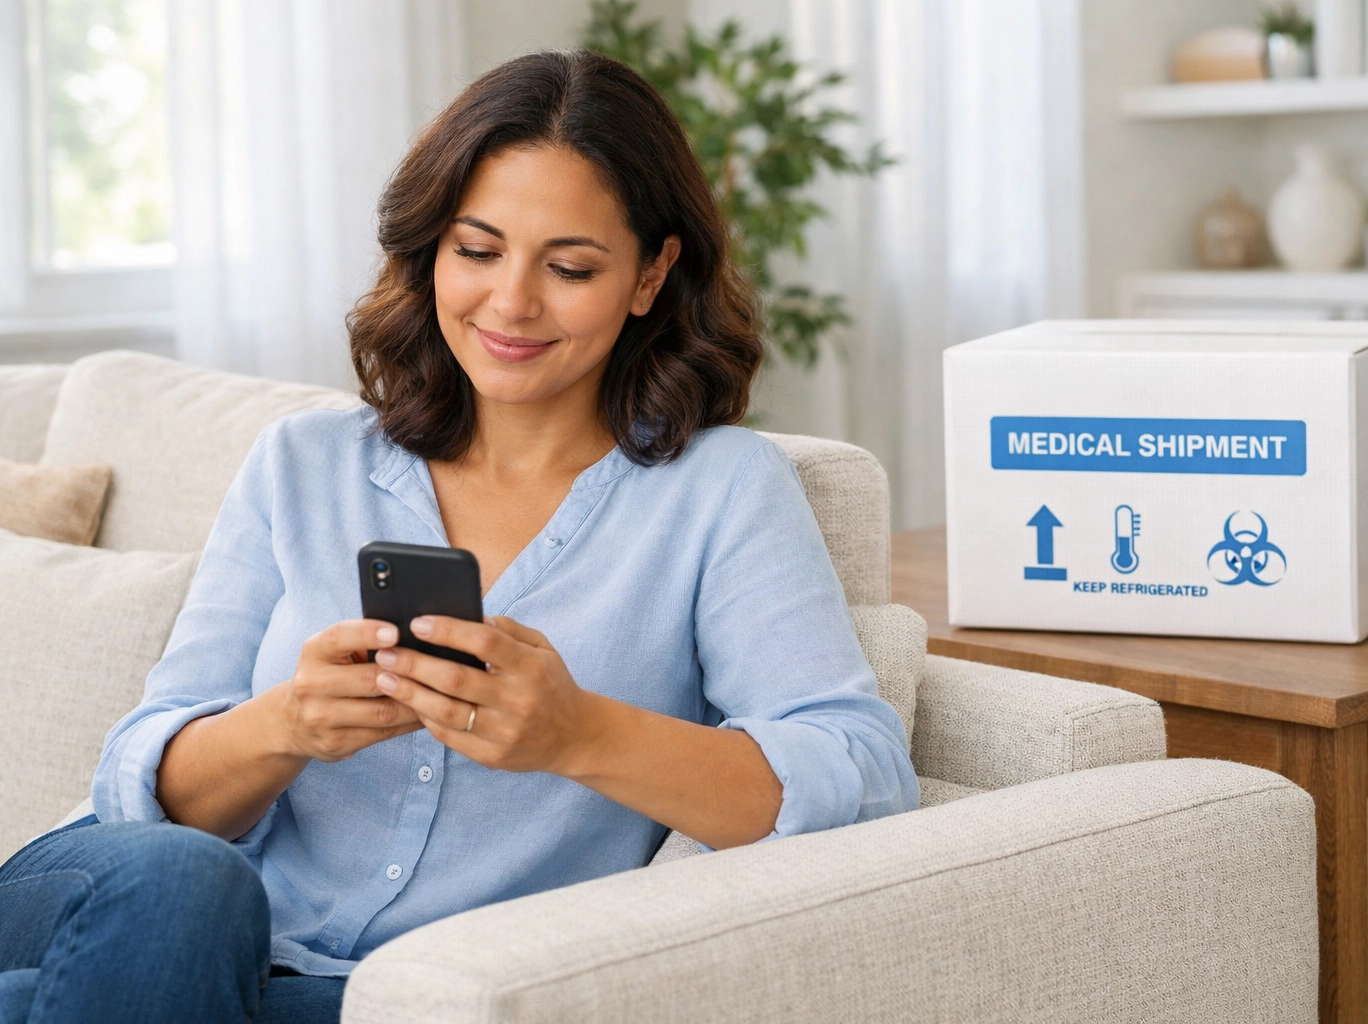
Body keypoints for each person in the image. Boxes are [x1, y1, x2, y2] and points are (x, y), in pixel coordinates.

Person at [0, 50, 918, 1024]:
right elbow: (144, 775)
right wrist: (287, 724)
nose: (511, 303)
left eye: (569, 267)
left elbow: (859, 776)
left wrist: (581, 733)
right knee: (188, 888)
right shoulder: (304, 463)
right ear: (431, 247)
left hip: (377, 995)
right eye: (477, 251)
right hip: (134, 894)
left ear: (652, 274)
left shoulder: (722, 494)